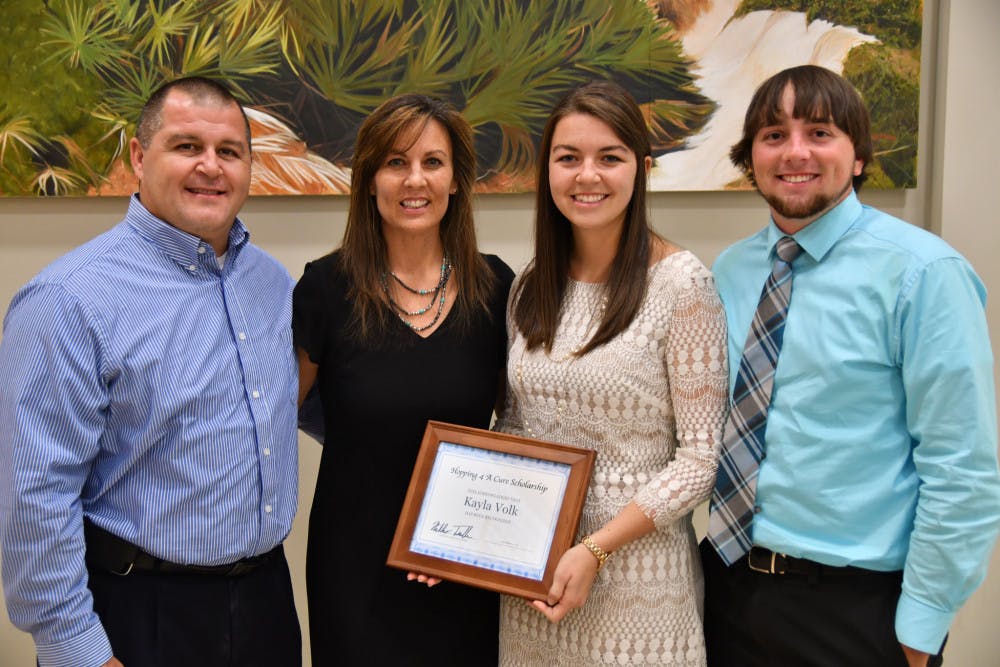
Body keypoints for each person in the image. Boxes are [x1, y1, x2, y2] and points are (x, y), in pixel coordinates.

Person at [701, 64, 1000, 667]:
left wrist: (922, 626)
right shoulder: (729, 271)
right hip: (727, 585)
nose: (795, 153)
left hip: (855, 609)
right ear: (750, 156)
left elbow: (962, 469)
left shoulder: (922, 274)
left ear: (858, 155)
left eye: (819, 132)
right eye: (774, 135)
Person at [0, 77, 301, 667]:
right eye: (187, 147)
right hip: (140, 615)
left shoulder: (273, 285)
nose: (210, 167)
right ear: (139, 157)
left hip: (267, 603)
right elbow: (35, 494)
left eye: (229, 151)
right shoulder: (67, 300)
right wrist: (75, 651)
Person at [496, 80, 729, 665]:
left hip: (638, 588)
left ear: (642, 169)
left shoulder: (682, 284)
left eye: (610, 157)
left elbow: (700, 461)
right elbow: (515, 424)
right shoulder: (529, 285)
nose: (587, 175)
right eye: (568, 158)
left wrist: (593, 551)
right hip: (536, 580)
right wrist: (467, 532)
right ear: (545, 170)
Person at [293, 93, 514, 666]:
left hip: (463, 564)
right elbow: (279, 414)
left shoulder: (496, 287)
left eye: (432, 162)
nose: (414, 180)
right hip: (355, 567)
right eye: (395, 162)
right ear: (368, 181)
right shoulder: (324, 289)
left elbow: (512, 428)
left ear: (458, 180)